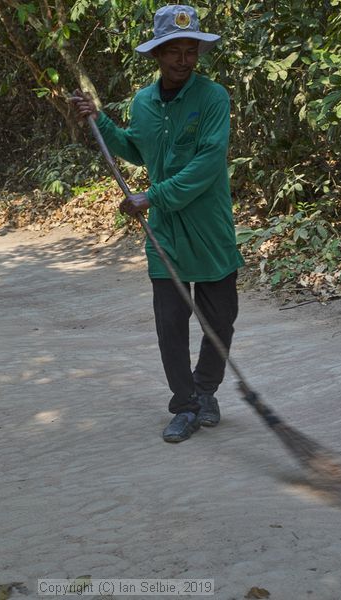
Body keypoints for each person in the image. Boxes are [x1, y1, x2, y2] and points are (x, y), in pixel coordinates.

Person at [70, 5, 244, 443]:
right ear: (157, 54)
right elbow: (136, 148)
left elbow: (208, 163)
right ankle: (184, 404)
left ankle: (206, 391)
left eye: (191, 51)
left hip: (209, 227)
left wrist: (152, 195)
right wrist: (100, 121)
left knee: (220, 318)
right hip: (163, 231)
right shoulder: (144, 102)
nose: (183, 60)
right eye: (174, 51)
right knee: (171, 324)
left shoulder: (213, 98)